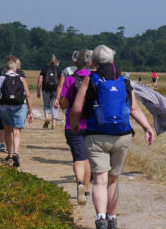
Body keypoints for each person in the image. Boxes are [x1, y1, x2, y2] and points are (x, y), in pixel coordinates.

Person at [70, 45, 154, 229]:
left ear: (94, 63)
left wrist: (75, 124)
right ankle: (113, 219)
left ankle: (100, 218)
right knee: (114, 180)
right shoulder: (125, 81)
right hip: (121, 135)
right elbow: (134, 109)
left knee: (99, 180)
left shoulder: (89, 79)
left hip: (96, 135)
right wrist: (147, 127)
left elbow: (76, 108)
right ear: (113, 61)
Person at [59, 50, 92, 206]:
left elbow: (64, 103)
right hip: (92, 124)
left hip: (72, 123)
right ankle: (86, 188)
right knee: (88, 158)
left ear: (75, 63)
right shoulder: (94, 79)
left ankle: (79, 182)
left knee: (79, 157)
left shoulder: (70, 79)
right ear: (91, 63)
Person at [0, 58, 33, 167]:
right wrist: (30, 111)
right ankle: (16, 152)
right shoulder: (21, 78)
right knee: (17, 131)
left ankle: (9, 154)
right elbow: (28, 95)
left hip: (4, 108)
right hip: (19, 107)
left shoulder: (1, 78)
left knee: (7, 130)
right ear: (15, 69)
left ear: (5, 69)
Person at [0, 56, 26, 152]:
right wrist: (29, 110)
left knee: (5, 127)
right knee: (16, 129)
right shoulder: (21, 74)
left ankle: (3, 144)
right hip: (18, 105)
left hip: (3, 104)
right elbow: (27, 93)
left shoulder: (0, 73)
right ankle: (15, 152)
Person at [37, 55, 62, 129]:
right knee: (55, 106)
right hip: (55, 90)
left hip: (46, 89)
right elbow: (61, 82)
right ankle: (53, 125)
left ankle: (47, 117)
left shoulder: (44, 69)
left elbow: (40, 80)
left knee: (46, 105)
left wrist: (38, 91)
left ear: (48, 61)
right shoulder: (59, 70)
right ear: (56, 61)